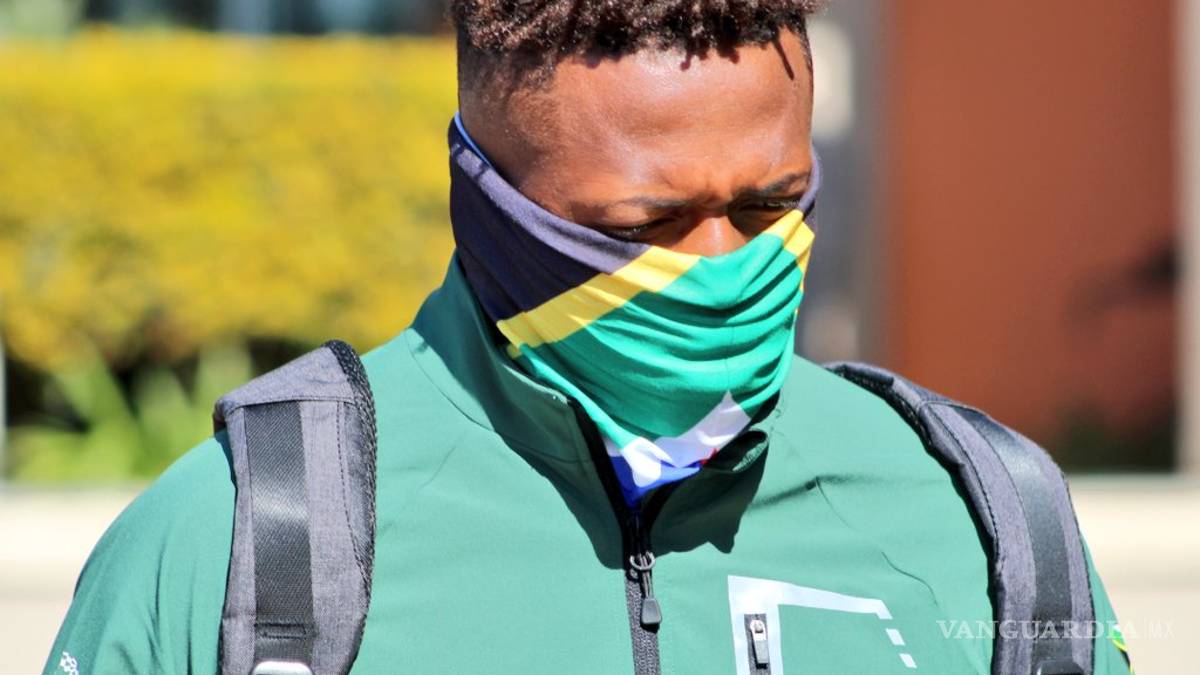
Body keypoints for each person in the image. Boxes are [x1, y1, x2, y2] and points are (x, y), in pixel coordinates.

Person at [45, 2, 1132, 674]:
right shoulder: (248, 549)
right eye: (643, 226)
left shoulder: (982, 528)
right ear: (484, 201)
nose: (721, 269)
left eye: (769, 206)